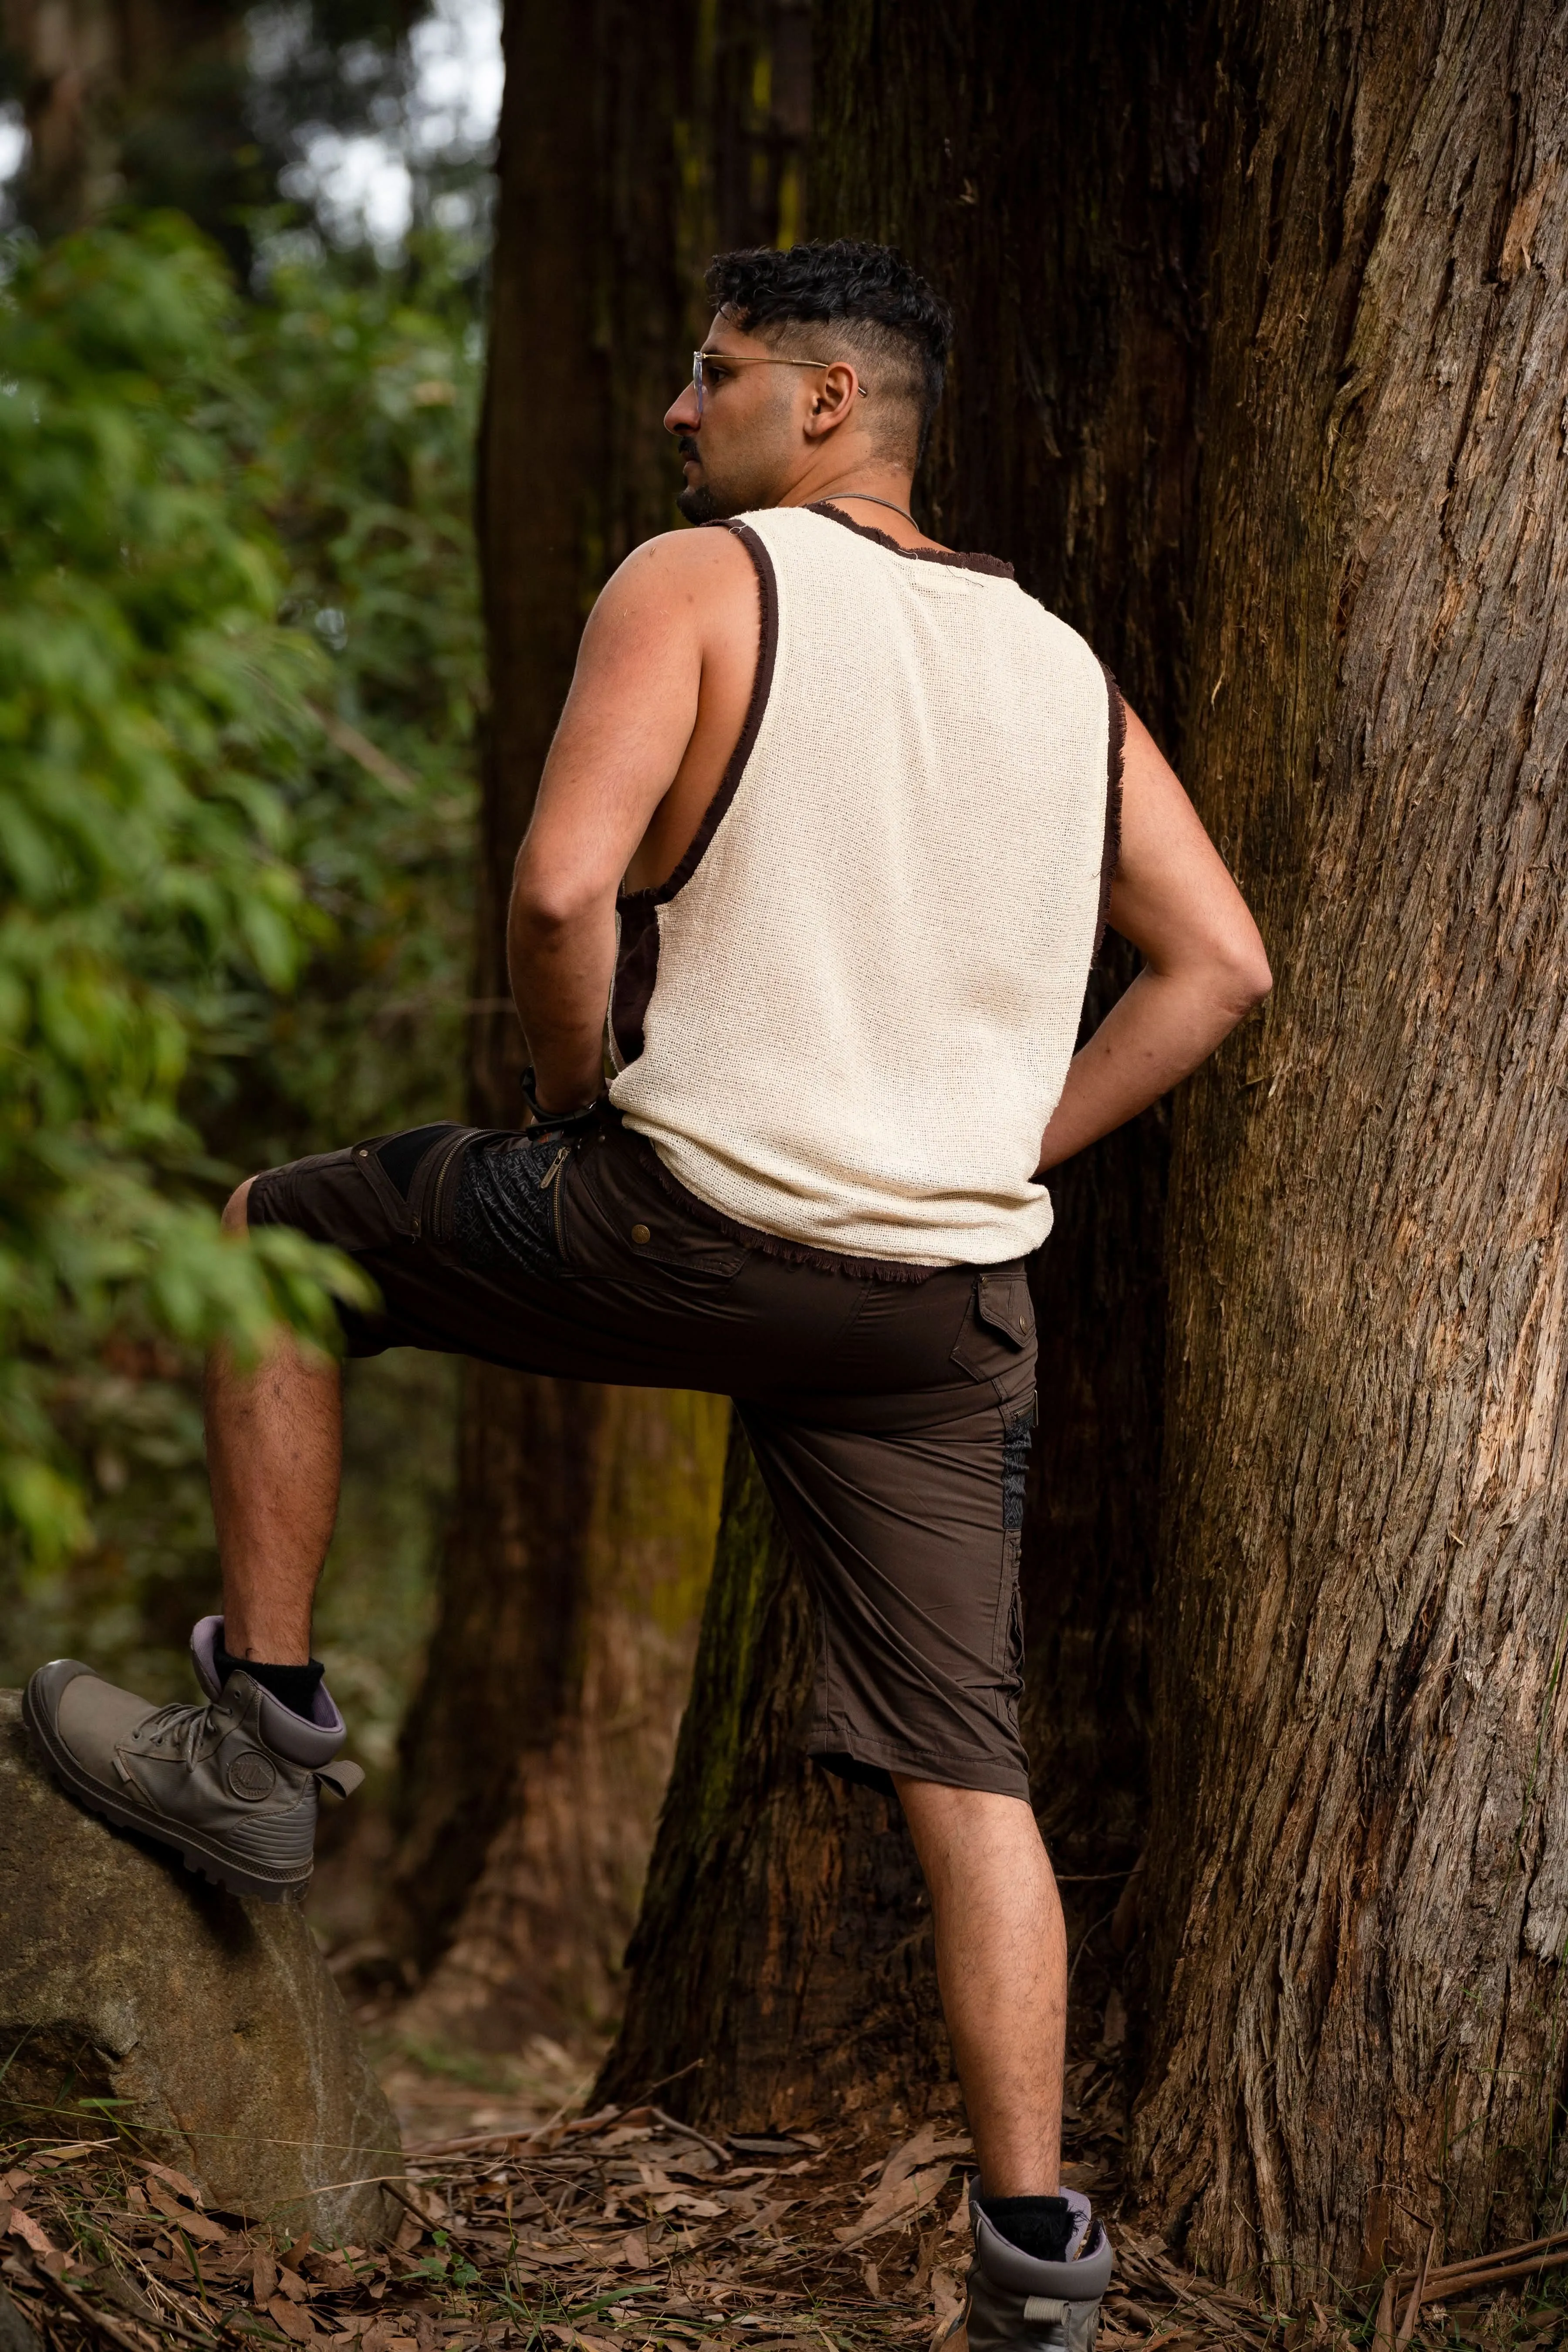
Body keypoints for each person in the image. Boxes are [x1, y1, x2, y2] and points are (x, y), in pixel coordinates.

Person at [27, 240, 1269, 2352]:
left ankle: (261, 1748)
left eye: (715, 378)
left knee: (265, 1235)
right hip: (937, 1302)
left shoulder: (699, 580)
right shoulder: (1061, 662)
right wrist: (997, 1154)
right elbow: (1221, 965)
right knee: (978, 1777)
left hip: (687, 1217)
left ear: (823, 409)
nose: (677, 412)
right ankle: (1041, 2273)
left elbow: (557, 889)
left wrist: (569, 1097)